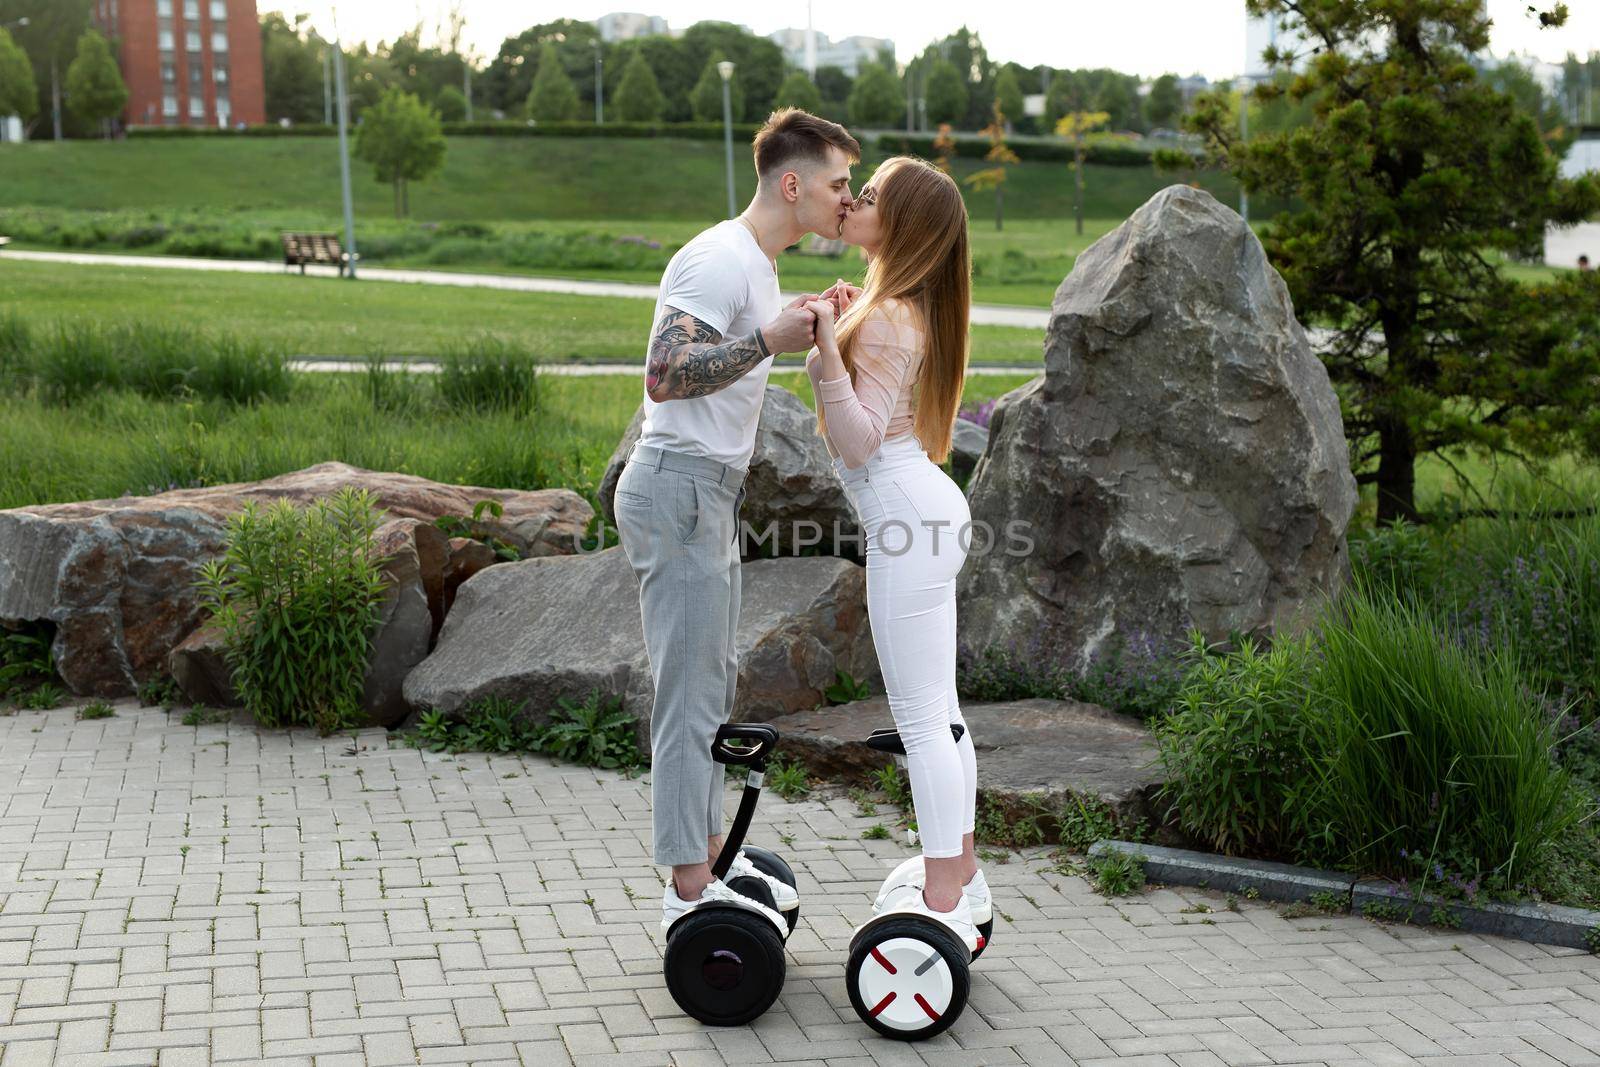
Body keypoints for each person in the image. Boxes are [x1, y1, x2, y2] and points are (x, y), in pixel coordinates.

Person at [612, 108, 863, 937]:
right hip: (677, 487)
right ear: (792, 185)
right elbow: (663, 372)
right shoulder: (718, 256)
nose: (846, 198)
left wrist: (797, 320)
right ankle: (688, 886)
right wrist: (767, 338)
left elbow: (736, 345)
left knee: (710, 684)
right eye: (837, 184)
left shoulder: (755, 263)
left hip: (707, 492)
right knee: (688, 695)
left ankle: (710, 850)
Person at [802, 156, 988, 949]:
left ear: (900, 226)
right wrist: (842, 335)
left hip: (908, 520)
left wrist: (822, 354)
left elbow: (855, 441)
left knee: (920, 718)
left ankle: (941, 896)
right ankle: (962, 874)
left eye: (869, 195)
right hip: (931, 510)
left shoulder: (884, 317)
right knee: (940, 712)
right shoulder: (900, 308)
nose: (855, 201)